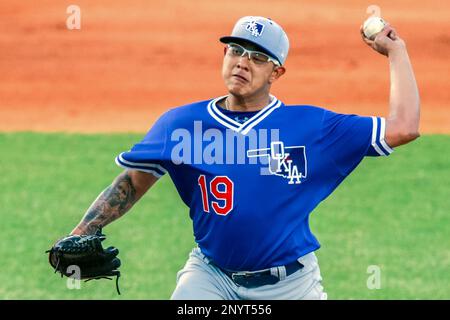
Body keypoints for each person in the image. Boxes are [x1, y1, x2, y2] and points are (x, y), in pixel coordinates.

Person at [70, 16, 420, 299]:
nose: (241, 62)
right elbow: (131, 182)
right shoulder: (181, 125)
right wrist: (78, 233)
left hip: (291, 287)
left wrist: (396, 52)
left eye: (257, 57)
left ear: (276, 72)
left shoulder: (312, 126)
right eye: (235, 50)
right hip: (210, 279)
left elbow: (403, 127)